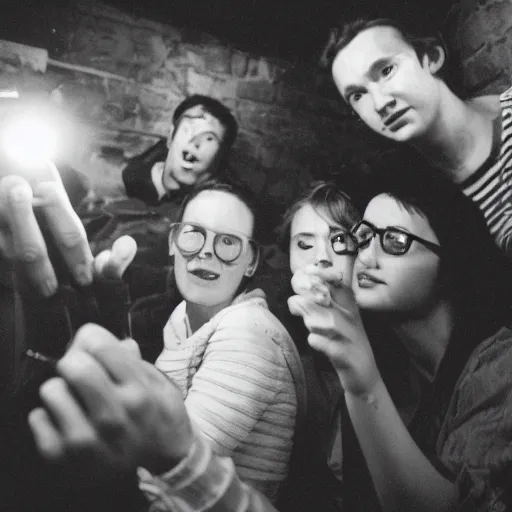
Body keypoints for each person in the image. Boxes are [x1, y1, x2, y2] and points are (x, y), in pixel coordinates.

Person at [27, 165, 512, 512]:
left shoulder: (486, 365)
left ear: (252, 261)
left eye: (344, 240)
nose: (350, 257)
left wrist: (359, 376)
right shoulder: (345, 353)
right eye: (363, 237)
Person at [129, 179, 305, 501]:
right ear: (173, 241)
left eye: (227, 241)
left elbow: (170, 474)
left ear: (251, 261)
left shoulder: (247, 335)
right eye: (194, 233)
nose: (206, 251)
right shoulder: (182, 320)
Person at [327, 17, 512, 255]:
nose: (380, 103)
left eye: (386, 70)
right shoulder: (419, 208)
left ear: (431, 58)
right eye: (357, 95)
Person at [122, 95, 238, 205]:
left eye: (209, 139)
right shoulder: (131, 178)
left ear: (218, 158)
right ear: (171, 136)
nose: (195, 142)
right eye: (190, 129)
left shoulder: (217, 206)